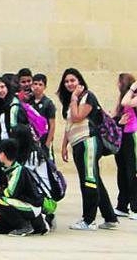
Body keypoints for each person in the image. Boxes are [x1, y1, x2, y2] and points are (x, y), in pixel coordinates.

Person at [59, 68, 118, 230]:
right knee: (94, 178)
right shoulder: (72, 100)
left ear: (80, 81)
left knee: (89, 180)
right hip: (77, 143)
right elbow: (70, 124)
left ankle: (89, 220)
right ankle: (110, 217)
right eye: (66, 81)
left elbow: (78, 116)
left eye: (72, 80)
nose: (69, 84)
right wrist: (64, 146)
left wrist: (74, 98)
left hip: (89, 142)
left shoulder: (87, 97)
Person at [0, 139, 48, 236]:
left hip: (31, 206)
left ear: (3, 154)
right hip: (20, 204)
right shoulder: (8, 169)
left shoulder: (18, 170)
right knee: (0, 227)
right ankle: (37, 225)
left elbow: (10, 193)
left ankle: (25, 226)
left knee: (0, 201)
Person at [115, 76, 137, 219]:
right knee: (122, 171)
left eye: (119, 81)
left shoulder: (133, 96)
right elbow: (116, 114)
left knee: (132, 172)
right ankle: (122, 205)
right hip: (123, 137)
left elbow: (126, 102)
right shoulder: (122, 98)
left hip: (133, 135)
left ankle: (136, 207)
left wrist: (133, 88)